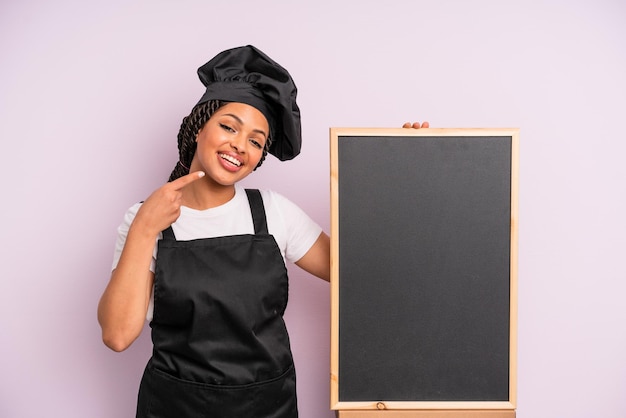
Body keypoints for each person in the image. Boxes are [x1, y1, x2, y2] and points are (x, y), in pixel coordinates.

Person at [98, 45, 428, 418]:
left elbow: (360, 271)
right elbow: (117, 335)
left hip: (268, 407)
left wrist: (403, 170)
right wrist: (145, 227)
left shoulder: (273, 212)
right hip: (176, 407)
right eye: (228, 126)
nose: (239, 145)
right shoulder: (144, 219)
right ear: (197, 127)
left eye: (255, 141)